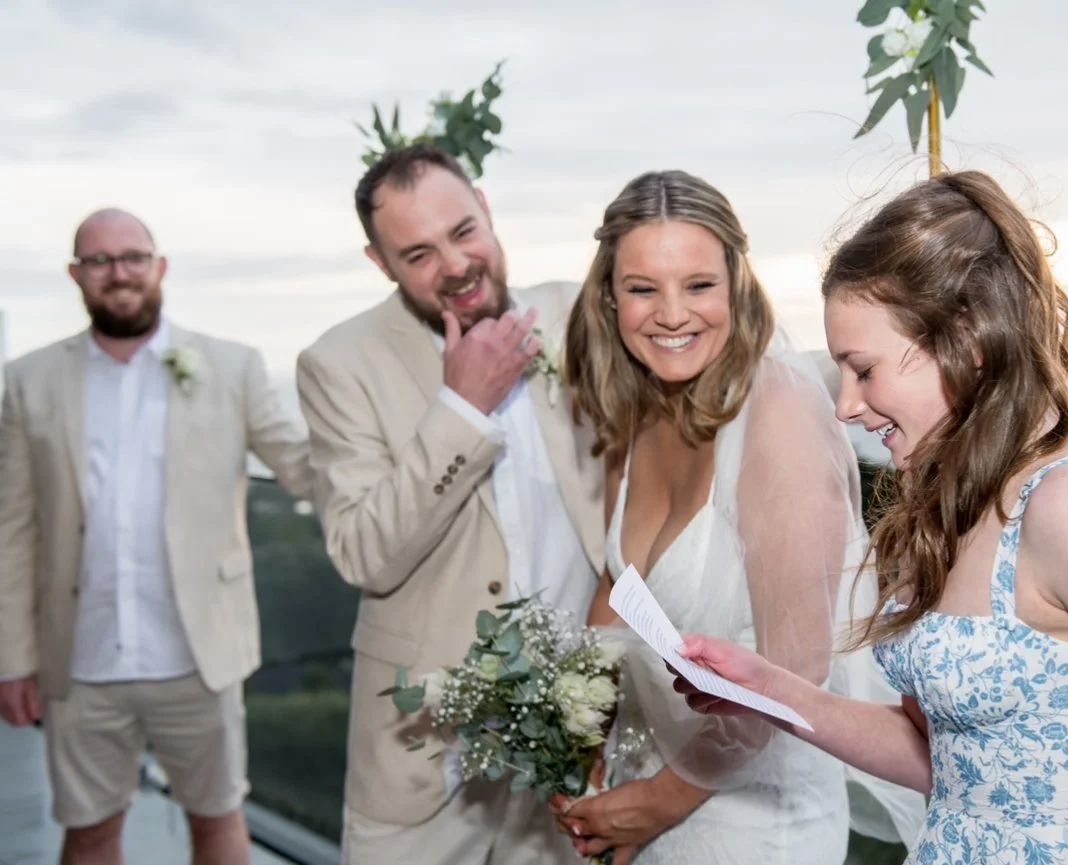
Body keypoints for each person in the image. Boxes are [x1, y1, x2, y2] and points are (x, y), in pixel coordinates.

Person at [669, 170, 1068, 864]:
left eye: (864, 369)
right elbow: (955, 769)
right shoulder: (961, 509)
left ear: (967, 339)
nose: (845, 406)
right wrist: (768, 689)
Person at [550, 169, 926, 865]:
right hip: (648, 781)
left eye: (698, 285)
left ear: (736, 282)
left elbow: (799, 665)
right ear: (609, 297)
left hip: (754, 821)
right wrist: (589, 745)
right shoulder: (632, 410)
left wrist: (654, 802)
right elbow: (616, 586)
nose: (671, 314)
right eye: (642, 289)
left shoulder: (777, 410)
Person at [295, 144, 604, 864]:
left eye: (464, 232)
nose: (456, 266)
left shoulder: (575, 313)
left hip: (575, 738)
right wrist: (463, 408)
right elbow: (362, 552)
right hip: (424, 753)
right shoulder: (338, 364)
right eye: (419, 254)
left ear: (487, 210)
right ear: (381, 263)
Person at [0, 208, 314, 865]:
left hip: (199, 657)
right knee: (87, 832)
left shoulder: (232, 366)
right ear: (76, 275)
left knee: (219, 819)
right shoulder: (28, 380)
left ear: (159, 266)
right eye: (100, 260)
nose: (119, 273)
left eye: (133, 256)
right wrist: (12, 657)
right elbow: (13, 528)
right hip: (81, 661)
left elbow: (305, 469)